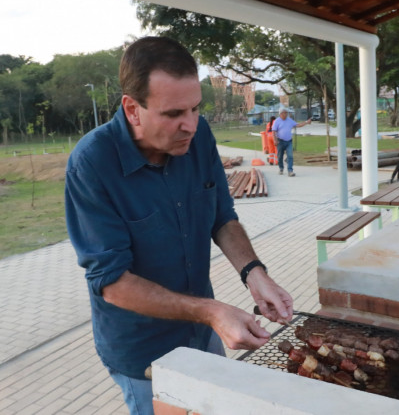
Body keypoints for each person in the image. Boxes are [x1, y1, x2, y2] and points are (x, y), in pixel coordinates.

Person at [65, 36, 293, 415]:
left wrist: (254, 274)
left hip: (204, 333)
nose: (189, 125)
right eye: (173, 114)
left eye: (195, 109)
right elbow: (111, 282)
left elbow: (221, 214)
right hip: (144, 352)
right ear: (132, 109)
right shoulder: (92, 164)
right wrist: (212, 311)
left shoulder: (198, 135)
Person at [271, 106, 311, 177]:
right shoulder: (277, 121)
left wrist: (306, 122)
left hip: (288, 141)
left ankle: (290, 171)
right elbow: (273, 131)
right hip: (280, 141)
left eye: (286, 113)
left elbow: (298, 125)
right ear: (280, 114)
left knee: (290, 156)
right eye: (284, 113)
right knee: (280, 156)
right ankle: (281, 168)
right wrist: (275, 140)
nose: (285, 114)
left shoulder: (289, 120)